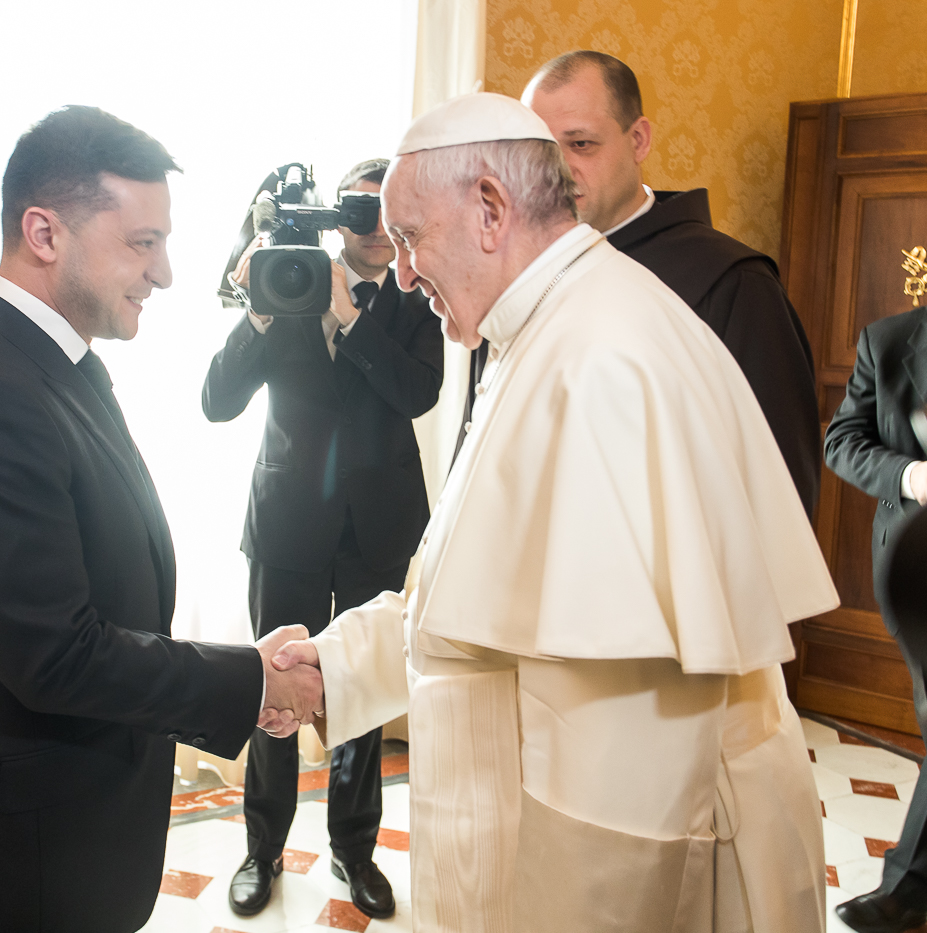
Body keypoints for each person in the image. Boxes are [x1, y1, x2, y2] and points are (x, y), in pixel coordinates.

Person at [261, 92, 840, 932]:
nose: (407, 274)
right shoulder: (541, 331)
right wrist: (329, 668)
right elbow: (468, 607)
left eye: (413, 239)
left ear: (490, 209)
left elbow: (624, 789)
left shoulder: (605, 357)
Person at [0, 106, 322, 933]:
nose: (163, 274)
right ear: (43, 232)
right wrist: (250, 679)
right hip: (35, 841)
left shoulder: (53, 361)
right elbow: (57, 655)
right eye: (142, 242)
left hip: (81, 809)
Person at [203, 158, 444, 919]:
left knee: (361, 698)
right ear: (337, 215)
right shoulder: (291, 281)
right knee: (271, 689)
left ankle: (354, 849)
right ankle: (262, 848)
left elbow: (419, 391)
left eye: (386, 212)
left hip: (378, 529)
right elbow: (216, 401)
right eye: (360, 209)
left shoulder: (416, 296)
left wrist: (353, 316)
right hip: (286, 524)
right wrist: (261, 310)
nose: (372, 226)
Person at [450, 52, 820, 521]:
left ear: (639, 140)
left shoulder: (732, 284)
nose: (556, 169)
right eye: (540, 148)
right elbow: (478, 446)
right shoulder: (512, 276)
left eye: (581, 144)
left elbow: (779, 486)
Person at [824, 206, 927, 933]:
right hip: (913, 562)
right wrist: (909, 476)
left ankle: (906, 892)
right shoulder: (886, 341)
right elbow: (841, 439)